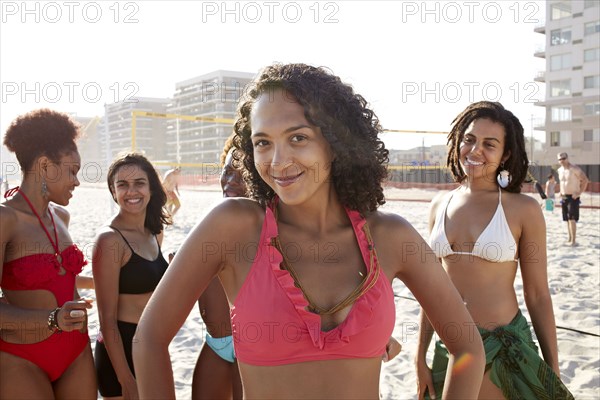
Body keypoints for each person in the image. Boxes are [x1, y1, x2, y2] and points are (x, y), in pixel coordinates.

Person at [133, 63, 485, 399]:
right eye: (263, 142)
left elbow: (467, 346)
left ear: (335, 142)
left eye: (298, 138)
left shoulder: (389, 236)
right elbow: (149, 337)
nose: (278, 161)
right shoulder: (234, 228)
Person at [416, 101, 574, 399]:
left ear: (506, 154)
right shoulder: (439, 204)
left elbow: (538, 294)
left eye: (490, 144)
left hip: (503, 348)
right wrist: (419, 357)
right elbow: (432, 291)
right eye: (469, 139)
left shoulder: (523, 209)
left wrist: (551, 366)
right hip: (449, 346)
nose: (475, 150)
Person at [0, 109, 96, 399]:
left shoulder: (61, 217)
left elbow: (60, 278)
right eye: (72, 170)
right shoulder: (6, 220)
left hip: (77, 353)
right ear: (45, 166)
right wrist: (54, 318)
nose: (76, 181)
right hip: (23, 357)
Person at [93, 153, 171, 399]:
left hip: (153, 347)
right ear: (113, 191)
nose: (131, 191)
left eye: (139, 183)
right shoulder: (110, 240)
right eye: (122, 185)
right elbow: (106, 320)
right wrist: (125, 380)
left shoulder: (154, 233)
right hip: (121, 354)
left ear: (150, 187)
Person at [191, 135, 244, 400]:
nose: (231, 181)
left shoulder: (268, 225)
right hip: (217, 341)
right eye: (227, 172)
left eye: (242, 174)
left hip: (254, 344)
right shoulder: (210, 224)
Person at [557, 152, 589, 246]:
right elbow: (562, 183)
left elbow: (585, 180)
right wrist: (560, 191)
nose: (562, 161)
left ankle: (574, 241)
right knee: (567, 219)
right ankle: (570, 238)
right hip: (564, 196)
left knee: (572, 218)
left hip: (573, 196)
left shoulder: (574, 169)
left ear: (567, 158)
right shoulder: (559, 170)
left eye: (563, 158)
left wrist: (579, 192)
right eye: (560, 159)